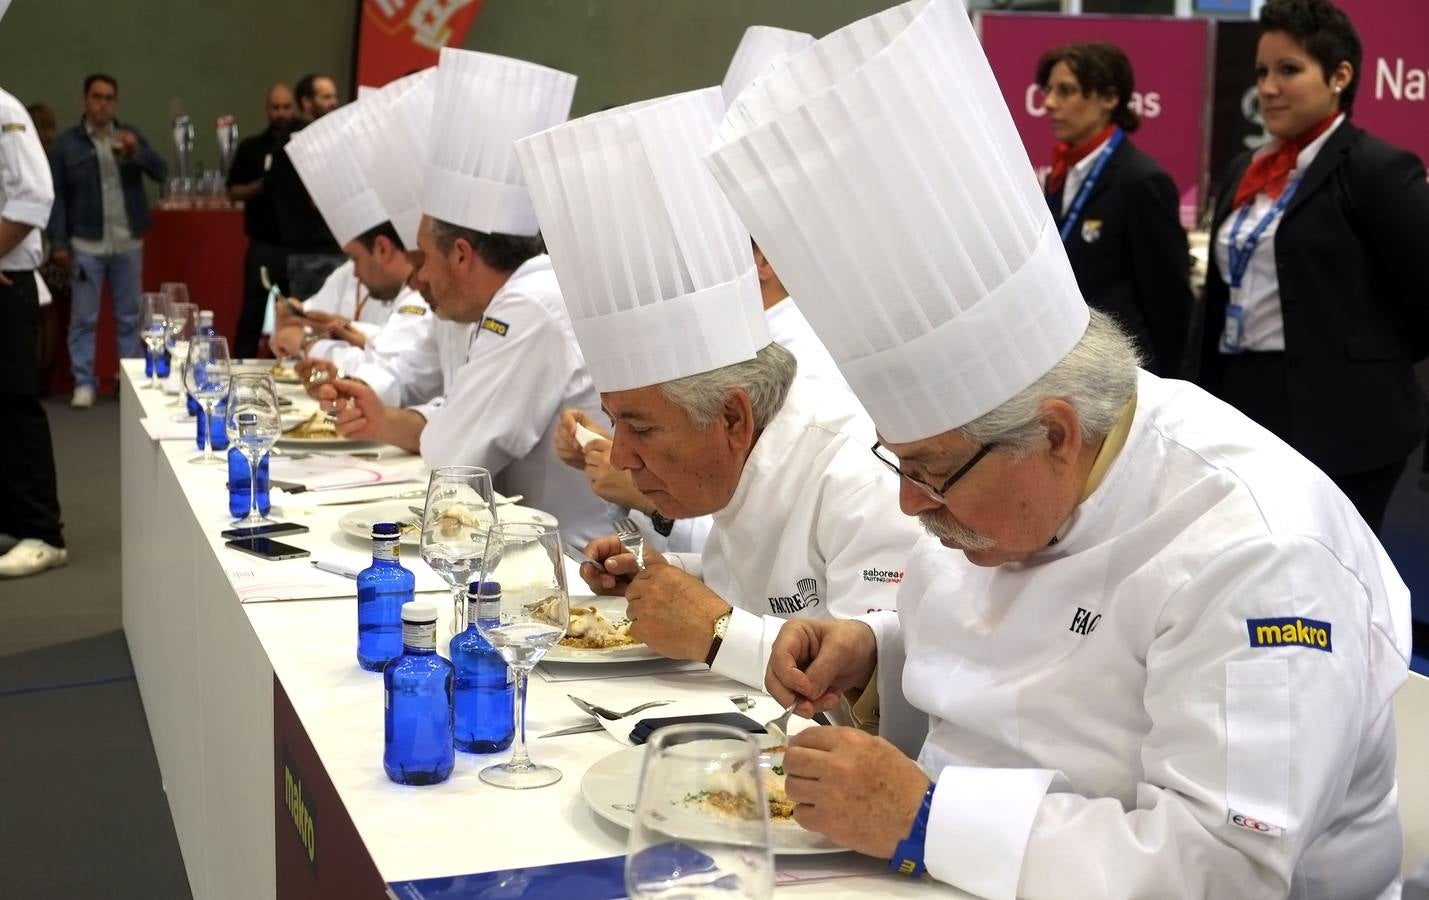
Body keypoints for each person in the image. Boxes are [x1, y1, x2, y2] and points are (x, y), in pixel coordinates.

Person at [708, 1, 1411, 896]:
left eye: (928, 475)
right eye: (901, 464)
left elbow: (1225, 869)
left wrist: (927, 822)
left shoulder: (1256, 549)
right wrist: (876, 648)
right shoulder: (1002, 484)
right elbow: (1009, 645)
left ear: (1054, 433)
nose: (906, 505)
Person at [518, 86, 922, 689]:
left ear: (734, 418)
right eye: (617, 421)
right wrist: (666, 576)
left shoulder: (860, 479)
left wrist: (715, 632)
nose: (621, 454)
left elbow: (879, 690)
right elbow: (759, 585)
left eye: (643, 426)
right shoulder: (740, 456)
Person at [321, 48, 610, 545]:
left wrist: (423, 425)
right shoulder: (521, 295)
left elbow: (453, 454)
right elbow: (463, 416)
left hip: (570, 562)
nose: (417, 279)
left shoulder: (529, 306)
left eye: (423, 261)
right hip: (530, 544)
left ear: (460, 255)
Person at [1199, 0, 1429, 534]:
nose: (1269, 88)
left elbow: (1422, 299)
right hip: (1242, 399)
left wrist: (1362, 358)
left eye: (1289, 70)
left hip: (1344, 416)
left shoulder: (1377, 169)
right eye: (1261, 72)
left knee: (1329, 575)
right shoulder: (1245, 169)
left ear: (1340, 76)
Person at [1037, 41, 1194, 378]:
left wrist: (1165, 384)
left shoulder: (1142, 181)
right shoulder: (1060, 176)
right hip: (1068, 364)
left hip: (1126, 372)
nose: (1049, 103)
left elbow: (1169, 303)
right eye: (1048, 90)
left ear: (1108, 98)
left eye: (1066, 91)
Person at [47, 73, 167, 408]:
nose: (103, 103)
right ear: (85, 100)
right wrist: (57, 242)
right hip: (86, 241)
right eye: (97, 97)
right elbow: (57, 197)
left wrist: (136, 152)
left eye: (109, 97)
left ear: (116, 102)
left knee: (129, 317)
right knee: (84, 318)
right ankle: (84, 382)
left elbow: (161, 170)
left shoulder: (129, 136)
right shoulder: (67, 145)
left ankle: (126, 381)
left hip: (127, 239)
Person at [0, 83, 66, 576]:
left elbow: (33, 193)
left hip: (8, 277)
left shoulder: (4, 108)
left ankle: (43, 533)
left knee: (14, 404)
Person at [227, 83, 295, 357]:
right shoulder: (252, 148)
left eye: (286, 107)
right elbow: (233, 191)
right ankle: (240, 368)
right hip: (263, 245)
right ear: (267, 109)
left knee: (296, 312)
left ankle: (291, 370)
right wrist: (264, 184)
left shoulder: (305, 147)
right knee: (252, 314)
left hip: (297, 247)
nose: (280, 113)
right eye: (275, 107)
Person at [268, 73, 343, 299]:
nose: (334, 103)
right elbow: (321, 196)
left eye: (334, 96)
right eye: (326, 97)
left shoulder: (313, 138)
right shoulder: (304, 141)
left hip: (317, 252)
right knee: (315, 326)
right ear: (306, 102)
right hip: (314, 254)